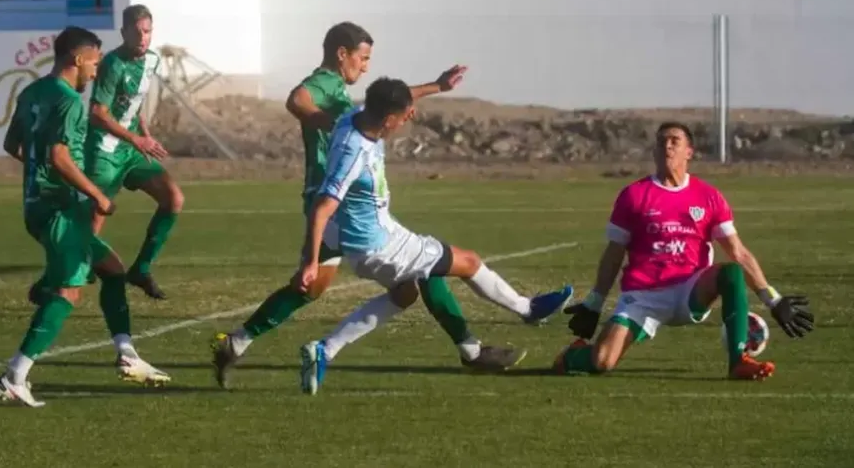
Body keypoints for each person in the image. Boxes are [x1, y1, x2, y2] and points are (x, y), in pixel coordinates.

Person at [210, 22, 572, 389]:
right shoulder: (332, 96)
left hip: (344, 209)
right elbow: (297, 101)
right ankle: (501, 328)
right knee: (439, 266)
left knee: (373, 287)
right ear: (342, 54)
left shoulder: (355, 114)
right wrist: (341, 131)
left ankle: (239, 343)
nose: (366, 66)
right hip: (341, 206)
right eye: (363, 58)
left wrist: (434, 87)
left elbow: (386, 101)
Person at [297, 77, 572, 395]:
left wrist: (436, 87)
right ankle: (528, 309)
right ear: (388, 119)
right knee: (468, 262)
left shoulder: (354, 117)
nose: (406, 121)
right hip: (380, 246)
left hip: (371, 238)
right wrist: (312, 262)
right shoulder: (354, 152)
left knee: (404, 295)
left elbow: (399, 98)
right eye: (403, 117)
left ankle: (325, 350)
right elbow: (322, 208)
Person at [554, 122, 815, 380]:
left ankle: (739, 361)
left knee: (731, 272)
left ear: (689, 152)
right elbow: (614, 254)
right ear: (654, 152)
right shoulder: (633, 195)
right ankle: (571, 356)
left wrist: (773, 300)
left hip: (690, 289)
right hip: (643, 296)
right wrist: (595, 303)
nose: (666, 146)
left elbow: (738, 252)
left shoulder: (709, 197)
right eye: (661, 142)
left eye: (674, 141)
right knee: (602, 361)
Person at [0, 27, 168, 408]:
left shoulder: (31, 92)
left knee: (112, 269)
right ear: (77, 59)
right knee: (68, 290)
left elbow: (12, 144)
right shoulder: (70, 100)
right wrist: (97, 194)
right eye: (94, 62)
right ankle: (16, 375)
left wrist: (39, 172)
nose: (96, 70)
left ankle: (126, 352)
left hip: (39, 204)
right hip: (58, 208)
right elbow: (59, 157)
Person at [83, 4, 179, 299]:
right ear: (123, 32)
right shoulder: (112, 64)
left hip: (132, 148)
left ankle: (141, 269)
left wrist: (144, 134)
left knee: (173, 199)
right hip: (105, 149)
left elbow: (133, 104)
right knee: (97, 213)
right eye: (136, 32)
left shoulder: (152, 60)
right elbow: (97, 113)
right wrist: (136, 140)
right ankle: (73, 270)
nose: (143, 38)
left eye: (147, 32)